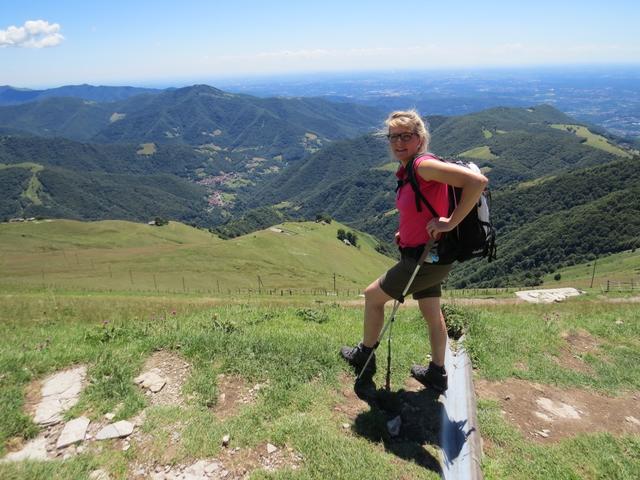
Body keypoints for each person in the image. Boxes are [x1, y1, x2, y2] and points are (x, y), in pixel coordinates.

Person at [340, 110, 488, 392]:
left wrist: (450, 222)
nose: (398, 142)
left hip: (424, 260)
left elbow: (477, 182)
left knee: (372, 297)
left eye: (406, 136)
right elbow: (420, 209)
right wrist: (406, 233)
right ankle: (437, 373)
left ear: (420, 139)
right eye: (393, 136)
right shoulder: (410, 169)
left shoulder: (422, 165)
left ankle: (364, 356)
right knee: (432, 312)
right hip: (431, 255)